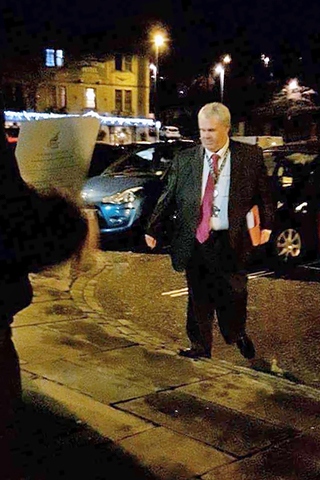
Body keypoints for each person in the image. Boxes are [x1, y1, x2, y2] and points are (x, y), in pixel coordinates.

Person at [145, 102, 274, 360]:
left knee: (234, 293)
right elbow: (168, 196)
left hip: (231, 238)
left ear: (226, 128)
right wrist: (153, 228)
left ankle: (236, 332)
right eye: (202, 130)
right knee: (198, 296)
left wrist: (268, 224)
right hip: (197, 239)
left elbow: (265, 195)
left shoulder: (249, 158)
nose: (205, 136)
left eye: (211, 130)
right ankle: (200, 346)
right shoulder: (186, 159)